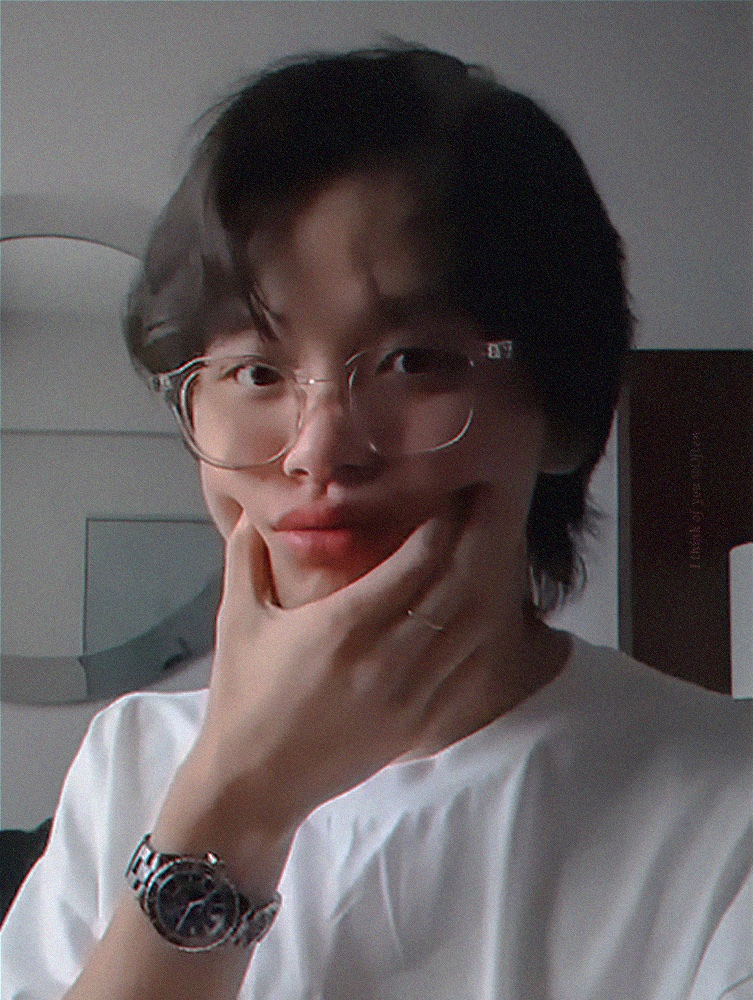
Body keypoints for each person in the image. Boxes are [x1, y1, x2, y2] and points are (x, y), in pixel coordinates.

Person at [2, 45, 751, 1000]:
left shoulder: (725, 800)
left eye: (411, 363)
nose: (319, 449)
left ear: (561, 407)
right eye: (256, 373)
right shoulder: (133, 760)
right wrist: (236, 802)